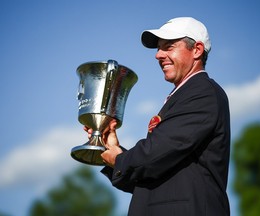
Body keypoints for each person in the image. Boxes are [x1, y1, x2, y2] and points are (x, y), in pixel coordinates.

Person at [86, 17, 230, 216]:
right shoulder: (185, 94)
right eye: (158, 48)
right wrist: (113, 150)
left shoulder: (202, 92)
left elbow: (153, 156)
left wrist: (119, 160)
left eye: (169, 47)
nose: (158, 55)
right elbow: (153, 176)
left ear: (196, 50)